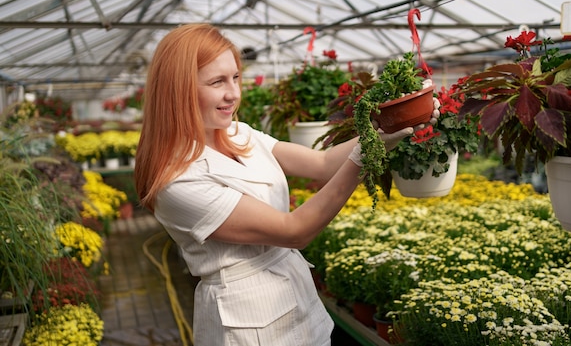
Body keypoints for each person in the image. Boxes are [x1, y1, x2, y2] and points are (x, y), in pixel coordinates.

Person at [134, 23, 434, 346]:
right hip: (246, 322)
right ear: (178, 90)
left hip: (297, 302)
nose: (233, 93)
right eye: (217, 81)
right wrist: (364, 156)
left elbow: (320, 164)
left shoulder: (239, 134)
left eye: (235, 77)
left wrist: (385, 127)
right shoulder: (177, 180)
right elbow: (294, 230)